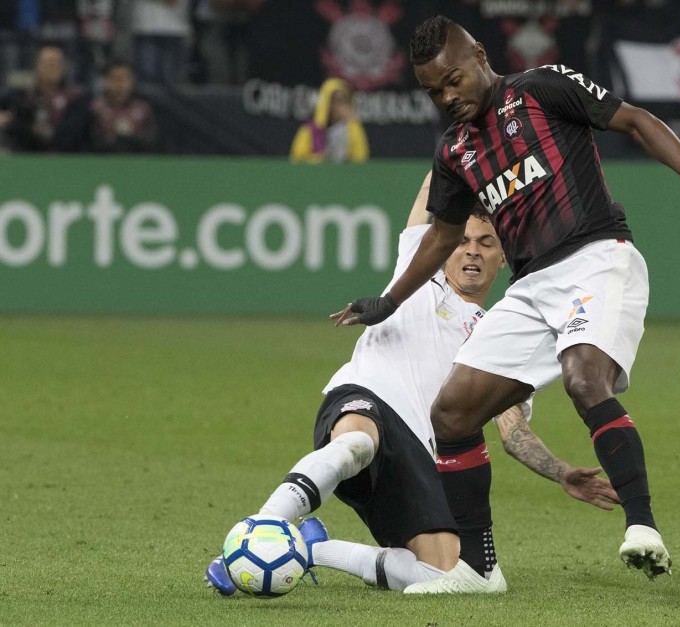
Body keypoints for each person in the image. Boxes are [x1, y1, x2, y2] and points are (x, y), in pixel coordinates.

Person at [334, 15, 680, 588]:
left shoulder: (541, 88)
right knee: (452, 413)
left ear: (478, 53)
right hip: (529, 287)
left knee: (582, 376)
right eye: (433, 92)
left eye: (453, 80)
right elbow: (443, 235)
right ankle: (476, 568)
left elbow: (636, 120)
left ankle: (642, 525)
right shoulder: (455, 151)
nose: (447, 97)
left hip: (596, 256)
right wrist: (389, 301)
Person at [206, 173, 618, 595]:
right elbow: (431, 187)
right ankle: (254, 536)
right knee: (356, 445)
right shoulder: (416, 273)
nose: (472, 251)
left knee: (448, 575)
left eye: (486, 243)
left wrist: (562, 472)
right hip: (365, 401)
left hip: (417, 456)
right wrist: (470, 144)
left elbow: (513, 432)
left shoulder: (502, 338)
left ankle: (314, 550)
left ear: (504, 258)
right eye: (462, 241)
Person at [0, 45, 89, 152]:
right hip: (27, 156)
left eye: (56, 63)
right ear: (37, 66)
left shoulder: (76, 98)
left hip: (66, 157)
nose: (51, 67)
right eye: (47, 63)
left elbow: (73, 131)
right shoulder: (22, 95)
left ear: (64, 67)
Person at [290, 78, 369, 164]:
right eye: (336, 101)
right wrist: (316, 159)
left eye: (344, 101)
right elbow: (296, 161)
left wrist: (353, 123)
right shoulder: (309, 130)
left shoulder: (351, 128)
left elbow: (361, 158)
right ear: (326, 102)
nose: (340, 106)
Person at [88, 60, 159, 153]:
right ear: (105, 81)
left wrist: (128, 137)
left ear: (132, 81)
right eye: (115, 78)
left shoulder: (143, 108)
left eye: (124, 79)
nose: (120, 84)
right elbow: (91, 142)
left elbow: (152, 140)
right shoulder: (95, 108)